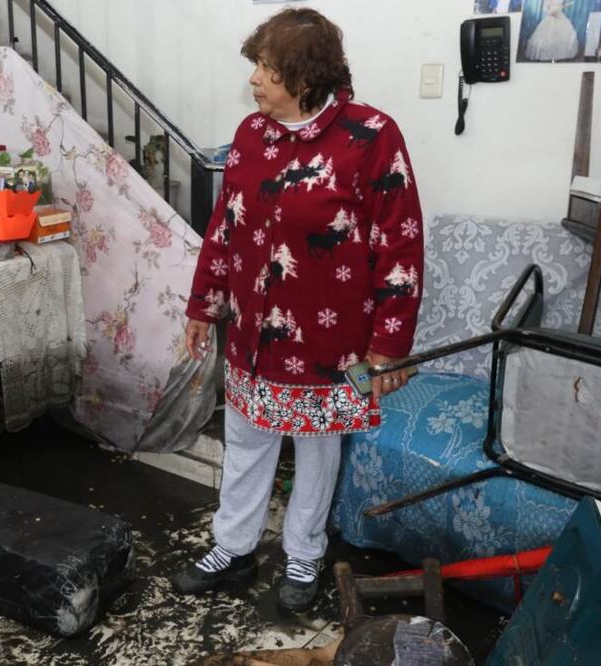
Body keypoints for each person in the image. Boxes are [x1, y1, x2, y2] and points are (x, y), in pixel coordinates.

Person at [172, 8, 423, 612]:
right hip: (254, 335)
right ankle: (232, 549)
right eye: (256, 65)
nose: (254, 79)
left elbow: (401, 244)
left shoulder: (371, 137)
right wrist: (203, 305)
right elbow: (224, 226)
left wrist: (389, 346)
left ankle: (304, 554)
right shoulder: (250, 135)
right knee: (247, 441)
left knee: (318, 449)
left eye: (266, 67)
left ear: (304, 77)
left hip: (337, 345)